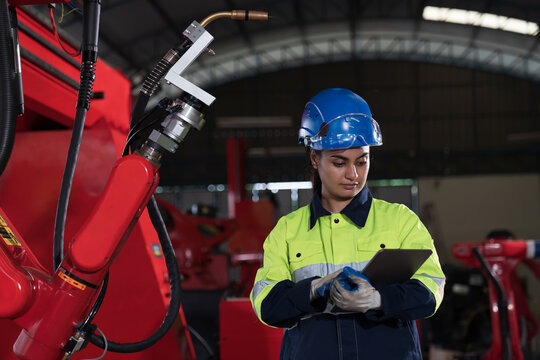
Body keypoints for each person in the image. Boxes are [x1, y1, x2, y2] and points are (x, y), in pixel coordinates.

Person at [250, 88, 445, 359]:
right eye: (339, 162)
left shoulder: (400, 221)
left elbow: (431, 289)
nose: (353, 175)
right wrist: (313, 289)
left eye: (362, 161)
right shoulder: (287, 230)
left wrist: (378, 299)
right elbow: (268, 305)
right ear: (314, 158)